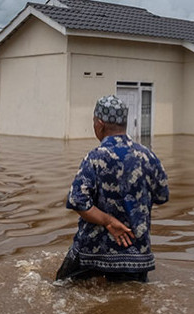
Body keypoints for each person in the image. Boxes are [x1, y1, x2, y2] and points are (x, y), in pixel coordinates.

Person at [56, 95, 169, 283]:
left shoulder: (95, 157)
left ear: (100, 124)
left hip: (92, 252)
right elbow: (162, 196)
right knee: (132, 298)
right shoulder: (148, 156)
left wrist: (108, 221)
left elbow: (77, 201)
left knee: (60, 287)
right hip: (137, 255)